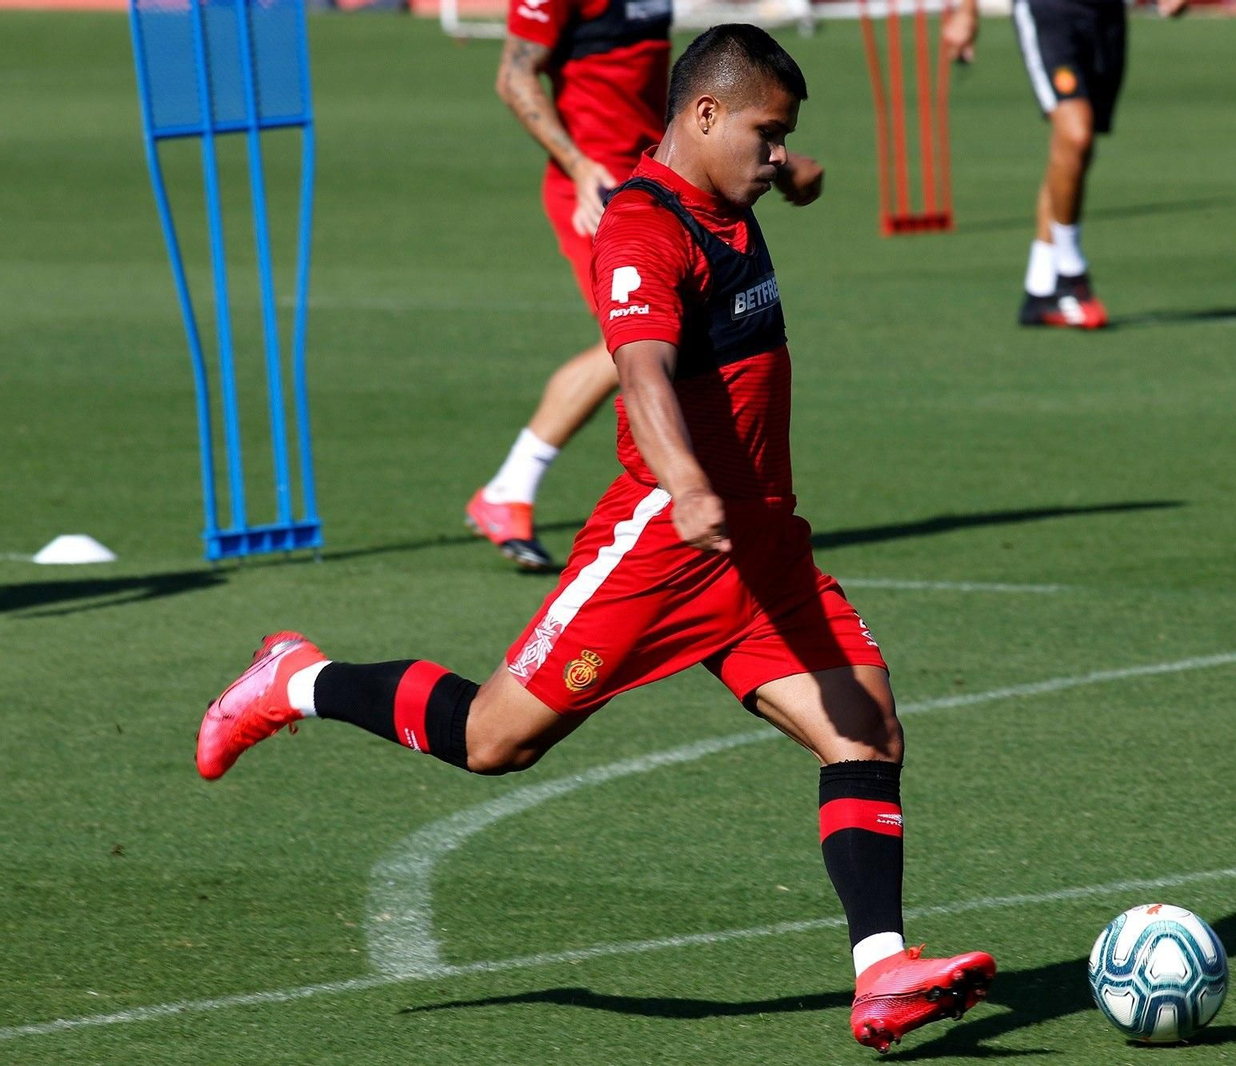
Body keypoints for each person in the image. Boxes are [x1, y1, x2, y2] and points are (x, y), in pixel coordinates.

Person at [197, 25, 995, 1053]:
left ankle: (881, 971)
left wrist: (793, 170)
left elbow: (759, 171)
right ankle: (296, 677)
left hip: (764, 552)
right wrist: (687, 483)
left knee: (867, 732)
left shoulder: (732, 179)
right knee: (494, 741)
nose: (774, 153)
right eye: (766, 133)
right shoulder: (642, 231)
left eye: (782, 138)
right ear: (703, 116)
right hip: (663, 545)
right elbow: (645, 370)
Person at [467, 0, 822, 571]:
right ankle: (513, 488)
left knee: (653, 340)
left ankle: (512, 489)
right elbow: (514, 75)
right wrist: (578, 165)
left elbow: (701, 94)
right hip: (605, 190)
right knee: (643, 342)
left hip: (671, 171)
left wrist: (773, 154)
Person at [942, 0, 1187, 329]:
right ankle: (1071, 275)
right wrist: (967, 11)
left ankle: (1040, 288)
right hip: (1049, 11)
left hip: (1105, 16)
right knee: (1076, 135)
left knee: (1073, 152)